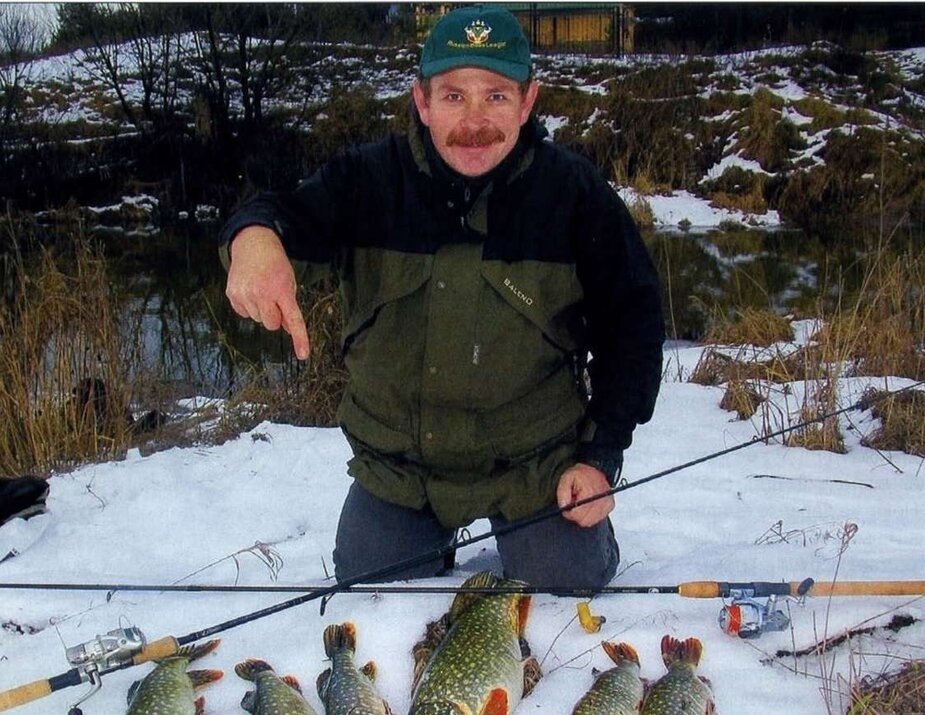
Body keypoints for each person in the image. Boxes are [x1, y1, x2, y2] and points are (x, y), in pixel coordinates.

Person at [220, 4, 664, 591]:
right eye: (454, 96)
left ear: (529, 101)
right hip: (399, 470)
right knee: (373, 585)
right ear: (422, 101)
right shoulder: (369, 179)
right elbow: (277, 213)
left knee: (566, 580)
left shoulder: (575, 193)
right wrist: (253, 242)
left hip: (536, 463)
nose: (474, 121)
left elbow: (632, 325)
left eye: (497, 97)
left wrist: (600, 456)